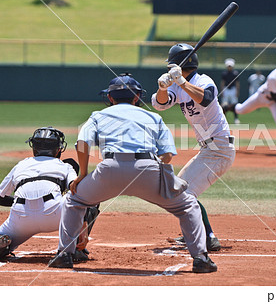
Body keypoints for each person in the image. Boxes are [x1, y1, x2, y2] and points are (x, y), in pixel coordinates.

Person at [49, 73, 217, 273]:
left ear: (110, 98)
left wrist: (83, 174)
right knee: (188, 205)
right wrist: (152, 170)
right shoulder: (153, 116)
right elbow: (167, 155)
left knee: (74, 201)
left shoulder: (98, 115)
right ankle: (200, 258)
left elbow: (82, 143)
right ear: (137, 97)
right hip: (147, 169)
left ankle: (64, 255)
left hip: (109, 169)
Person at [152, 43, 236, 252]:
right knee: (178, 189)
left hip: (219, 149)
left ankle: (208, 237)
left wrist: (181, 81)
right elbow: (159, 104)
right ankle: (193, 232)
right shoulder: (176, 87)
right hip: (208, 150)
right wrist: (163, 88)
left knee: (185, 193)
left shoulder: (203, 81)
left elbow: (206, 99)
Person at [0, 127, 99, 263]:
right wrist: (83, 223)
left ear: (34, 147)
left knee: (4, 236)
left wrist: (27, 201)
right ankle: (75, 248)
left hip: (20, 217)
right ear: (58, 149)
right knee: (91, 196)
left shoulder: (21, 164)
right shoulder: (65, 166)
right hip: (54, 214)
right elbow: (77, 191)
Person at [224, 49, 276, 156]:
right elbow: (274, 95)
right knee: (241, 110)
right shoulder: (273, 77)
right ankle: (227, 107)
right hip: (263, 97)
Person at [220, 58, 241, 124]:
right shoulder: (224, 73)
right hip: (226, 89)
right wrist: (222, 91)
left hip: (233, 89)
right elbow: (222, 83)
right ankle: (223, 120)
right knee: (224, 105)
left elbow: (237, 83)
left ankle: (236, 119)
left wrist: (237, 91)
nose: (229, 67)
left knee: (234, 104)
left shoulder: (235, 73)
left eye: (230, 66)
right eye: (228, 66)